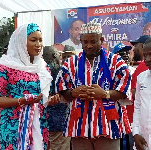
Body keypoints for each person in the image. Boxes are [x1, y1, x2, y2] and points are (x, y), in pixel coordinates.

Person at [55, 22, 132, 150]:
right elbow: (62, 90)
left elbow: (124, 90)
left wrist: (105, 94)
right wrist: (73, 93)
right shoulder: (70, 63)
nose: (89, 45)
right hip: (79, 128)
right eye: (85, 42)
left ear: (101, 40)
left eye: (93, 41)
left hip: (108, 128)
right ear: (80, 41)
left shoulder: (116, 62)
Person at [0, 23, 59, 150]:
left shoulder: (42, 67)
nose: (38, 44)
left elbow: (43, 98)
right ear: (20, 42)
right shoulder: (5, 66)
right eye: (33, 40)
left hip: (39, 126)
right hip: (13, 128)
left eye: (40, 40)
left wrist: (51, 100)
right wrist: (21, 101)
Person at [43, 46, 71, 150]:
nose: (61, 57)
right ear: (54, 55)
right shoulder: (61, 71)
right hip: (60, 121)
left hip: (42, 121)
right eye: (59, 55)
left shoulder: (37, 71)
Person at [113, 42, 135, 150]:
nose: (126, 55)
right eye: (122, 53)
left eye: (127, 52)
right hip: (117, 112)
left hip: (132, 112)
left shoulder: (133, 71)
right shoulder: (111, 73)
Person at [132, 37, 151, 150]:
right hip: (144, 140)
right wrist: (136, 133)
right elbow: (138, 107)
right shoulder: (141, 77)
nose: (147, 59)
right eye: (145, 55)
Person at [130, 35, 150, 100]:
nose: (133, 49)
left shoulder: (144, 65)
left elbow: (134, 93)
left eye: (135, 46)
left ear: (142, 46)